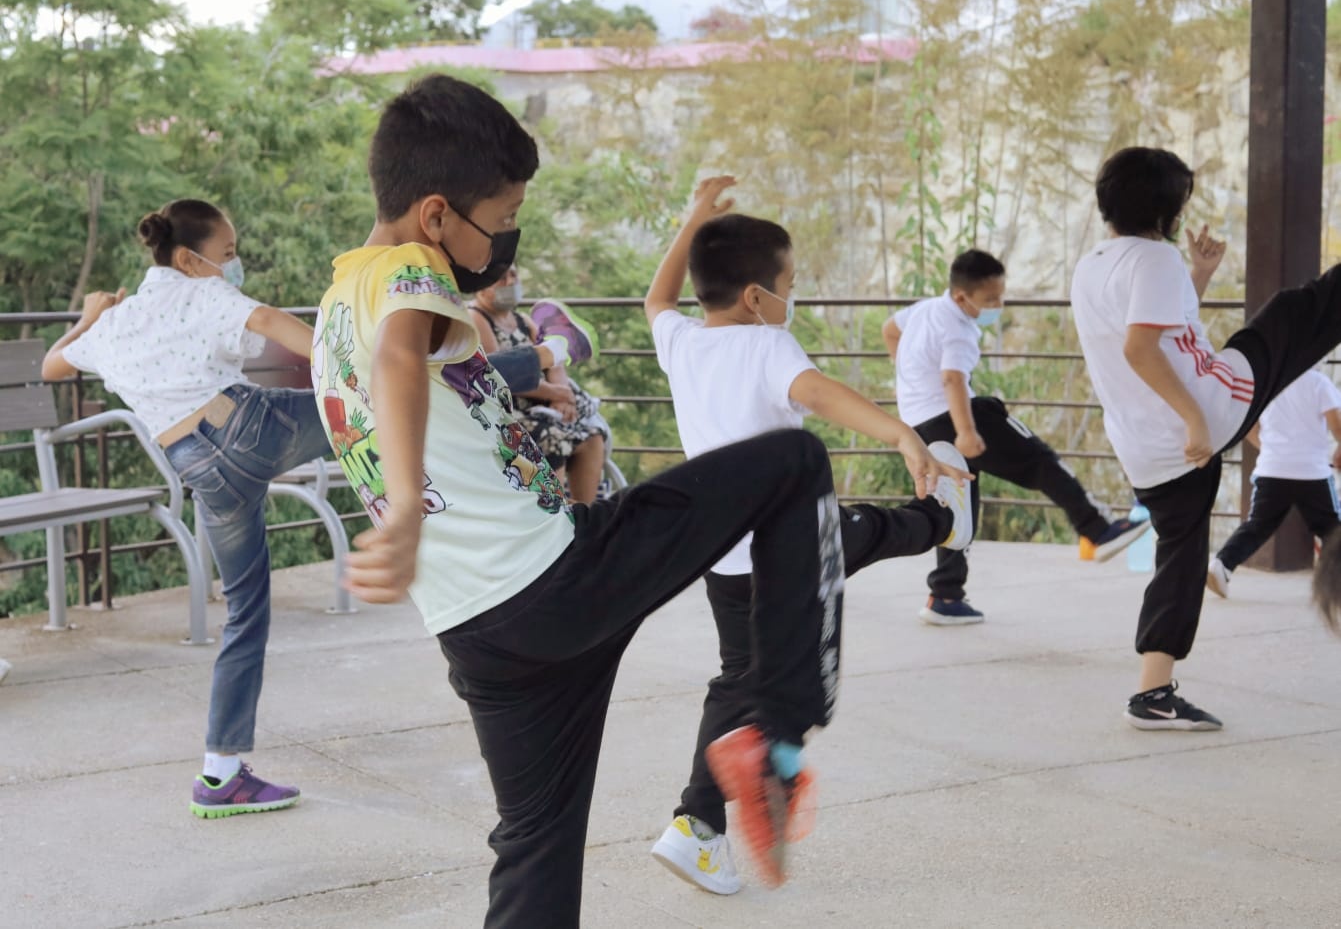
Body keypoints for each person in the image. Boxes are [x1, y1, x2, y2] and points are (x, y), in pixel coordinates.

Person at [317, 73, 854, 927]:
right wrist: (411, 505)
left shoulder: (336, 298)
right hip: (556, 580)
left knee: (534, 844)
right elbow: (394, 356)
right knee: (791, 461)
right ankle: (773, 735)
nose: (503, 241)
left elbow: (395, 366)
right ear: (433, 214)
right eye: (499, 221)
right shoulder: (405, 273)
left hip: (477, 631)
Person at [644, 176, 975, 896]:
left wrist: (694, 219)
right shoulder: (767, 343)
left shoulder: (681, 343)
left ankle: (695, 825)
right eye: (789, 282)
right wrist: (903, 435)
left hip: (723, 556)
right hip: (790, 547)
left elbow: (656, 300)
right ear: (758, 298)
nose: (792, 294)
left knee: (740, 675)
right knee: (865, 549)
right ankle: (769, 758)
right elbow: (818, 392)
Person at [41, 199, 331, 816]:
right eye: (227, 254)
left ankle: (221, 776)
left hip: (199, 469)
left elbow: (50, 366)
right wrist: (358, 371)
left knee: (245, 612)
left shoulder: (114, 325)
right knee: (392, 398)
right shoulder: (204, 293)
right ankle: (535, 360)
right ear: (188, 259)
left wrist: (86, 317)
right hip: (245, 428)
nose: (234, 265)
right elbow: (279, 324)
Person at [1070, 146, 1341, 730]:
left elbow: (1157, 330)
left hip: (1147, 445)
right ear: (1165, 209)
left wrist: (1199, 275)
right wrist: (1196, 420)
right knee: (1303, 309)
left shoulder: (1093, 263)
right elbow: (1140, 349)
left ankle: (1154, 691)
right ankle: (1154, 692)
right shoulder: (1155, 260)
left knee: (1182, 557)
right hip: (1212, 409)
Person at [882, 249, 1150, 625]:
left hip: (919, 423)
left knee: (959, 508)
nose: (998, 304)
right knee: (1039, 460)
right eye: (990, 299)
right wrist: (967, 432)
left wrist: (905, 375)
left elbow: (889, 330)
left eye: (1001, 295)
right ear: (962, 297)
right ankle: (1098, 529)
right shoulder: (958, 329)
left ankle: (944, 595)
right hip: (954, 416)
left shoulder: (924, 309)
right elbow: (953, 379)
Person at [469, 268, 609, 502]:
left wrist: (561, 398)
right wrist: (555, 392)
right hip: (507, 409)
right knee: (553, 435)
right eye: (501, 278)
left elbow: (555, 367)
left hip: (542, 403)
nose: (510, 281)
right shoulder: (476, 318)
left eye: (513, 275)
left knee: (592, 436)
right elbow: (497, 374)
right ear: (483, 286)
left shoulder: (522, 320)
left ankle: (585, 515)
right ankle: (555, 511)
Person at [1206, 369, 1341, 597]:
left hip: (1272, 469)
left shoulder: (1268, 380)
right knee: (1331, 530)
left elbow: (1247, 425)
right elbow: (1336, 423)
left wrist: (1271, 449)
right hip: (1312, 473)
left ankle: (1221, 565)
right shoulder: (1318, 382)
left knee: (1257, 526)